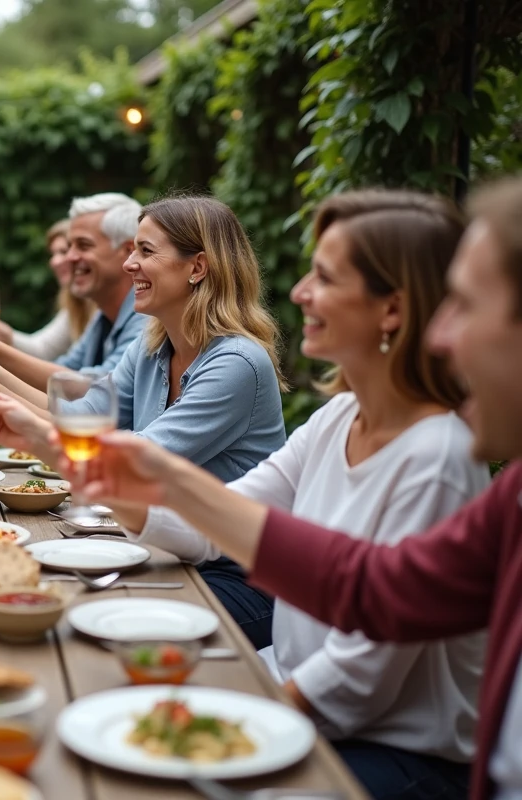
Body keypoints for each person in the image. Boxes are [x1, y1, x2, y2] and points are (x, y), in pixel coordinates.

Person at [74, 177, 522, 800]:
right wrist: (111, 481)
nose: (299, 291)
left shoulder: (437, 456)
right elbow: (223, 521)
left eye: (326, 277)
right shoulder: (338, 417)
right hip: (306, 698)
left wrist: (237, 719)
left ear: (391, 310)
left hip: (398, 752)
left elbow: (364, 670)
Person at [0, 196, 287, 647]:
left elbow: (139, 458)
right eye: (132, 250)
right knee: (38, 592)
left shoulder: (237, 363)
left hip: (235, 577)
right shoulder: (152, 347)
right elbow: (83, 418)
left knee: (79, 614)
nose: (130, 263)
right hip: (165, 549)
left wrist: (7, 399)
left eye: (146, 251)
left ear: (198, 267)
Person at [0, 193, 147, 395]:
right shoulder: (104, 314)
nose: (68, 258)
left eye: (83, 245)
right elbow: (67, 370)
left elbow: (101, 388)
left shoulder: (145, 315)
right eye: (70, 246)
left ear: (128, 250)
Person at [0, 219, 96, 360]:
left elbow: (91, 376)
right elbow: (45, 349)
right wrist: (0, 332)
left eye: (63, 252)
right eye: (53, 254)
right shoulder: (74, 302)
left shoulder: (100, 304)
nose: (54, 261)